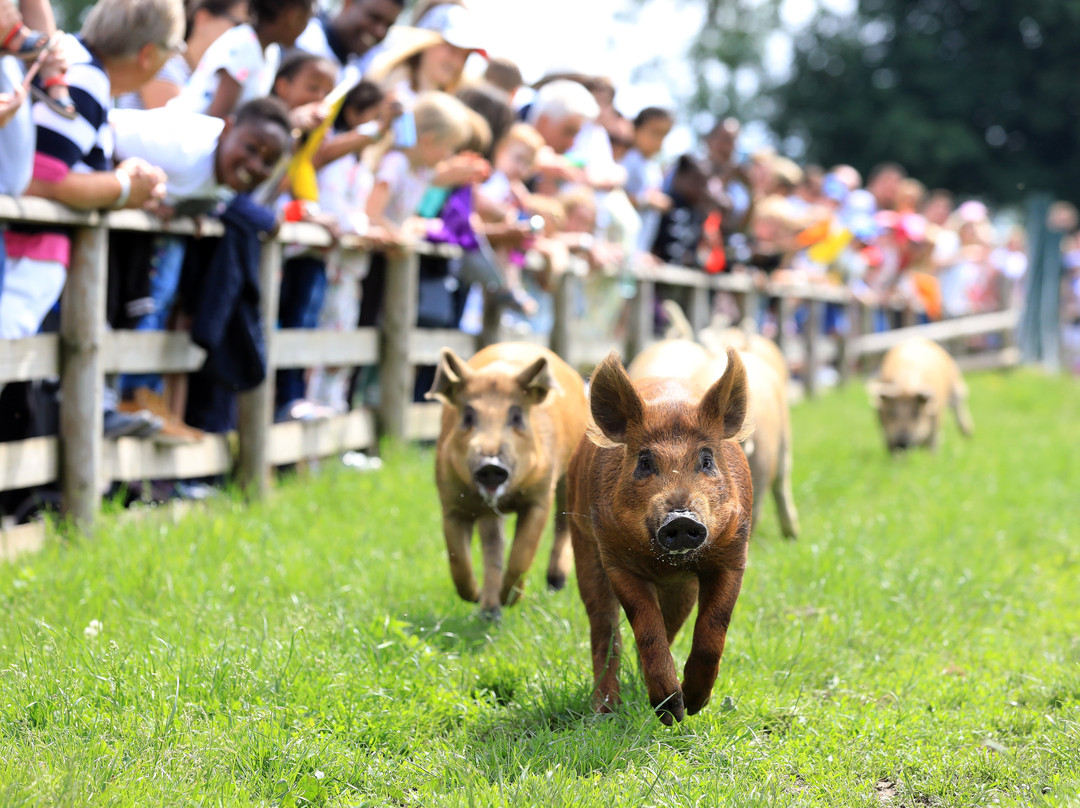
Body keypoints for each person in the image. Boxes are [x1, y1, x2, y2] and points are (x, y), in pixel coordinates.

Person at [2, 0, 184, 439]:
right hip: (26, 255)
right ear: (148, 55)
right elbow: (39, 177)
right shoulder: (84, 79)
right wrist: (122, 190)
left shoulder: (80, 73)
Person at [108, 97, 293, 440]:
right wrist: (123, 187)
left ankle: (141, 397)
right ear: (227, 128)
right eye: (251, 148)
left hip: (149, 236)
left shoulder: (227, 176)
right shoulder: (179, 147)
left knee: (159, 299)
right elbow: (102, 135)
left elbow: (212, 197)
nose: (255, 164)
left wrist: (185, 208)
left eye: (268, 161)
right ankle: (127, 397)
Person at [170, 0, 314, 119]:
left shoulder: (271, 52)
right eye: (308, 18)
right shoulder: (244, 45)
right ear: (293, 16)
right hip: (185, 135)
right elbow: (219, 118)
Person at [116, 0, 250, 110]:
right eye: (238, 24)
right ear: (203, 17)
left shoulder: (194, 74)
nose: (243, 34)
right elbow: (174, 128)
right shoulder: (164, 63)